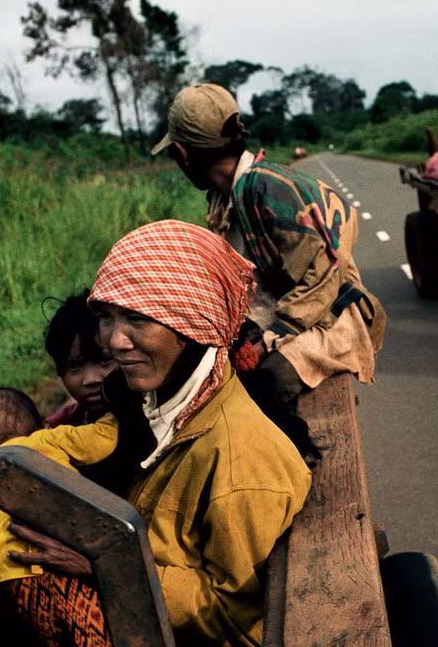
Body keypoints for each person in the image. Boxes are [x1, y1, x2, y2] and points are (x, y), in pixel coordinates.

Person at [0, 220, 312, 647]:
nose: (116, 342)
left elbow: (239, 618)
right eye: (107, 316)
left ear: (194, 322)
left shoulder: (240, 458)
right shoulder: (149, 407)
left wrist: (105, 565)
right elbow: (38, 452)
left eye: (138, 318)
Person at [152, 84, 385, 449]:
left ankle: (292, 464)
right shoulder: (227, 196)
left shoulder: (268, 191)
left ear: (182, 154)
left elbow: (322, 281)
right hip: (281, 311)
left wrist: (266, 342)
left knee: (266, 383)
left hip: (327, 316)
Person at [0, 387, 121, 588]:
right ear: (42, 426)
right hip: (64, 554)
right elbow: (103, 439)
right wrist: (118, 411)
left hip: (11, 573)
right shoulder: (46, 439)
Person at [42, 289, 116, 427]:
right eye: (75, 366)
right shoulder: (59, 428)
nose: (91, 379)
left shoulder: (156, 418)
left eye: (104, 360)